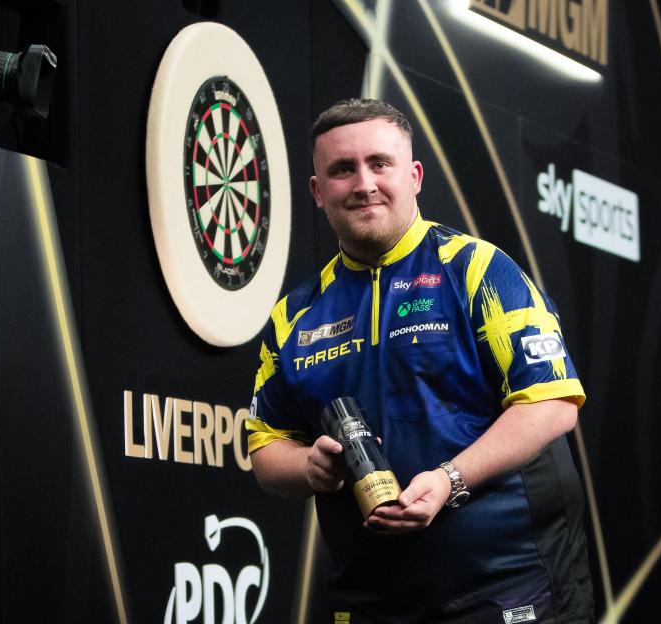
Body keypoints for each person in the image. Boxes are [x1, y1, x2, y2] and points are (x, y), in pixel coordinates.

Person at [247, 99, 593, 623]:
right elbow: (265, 446)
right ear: (318, 192)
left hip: (506, 586)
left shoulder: (476, 269)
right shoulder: (296, 314)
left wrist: (449, 480)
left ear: (414, 176)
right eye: (342, 170)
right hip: (370, 599)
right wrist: (310, 467)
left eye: (379, 163)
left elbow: (552, 405)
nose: (363, 183)